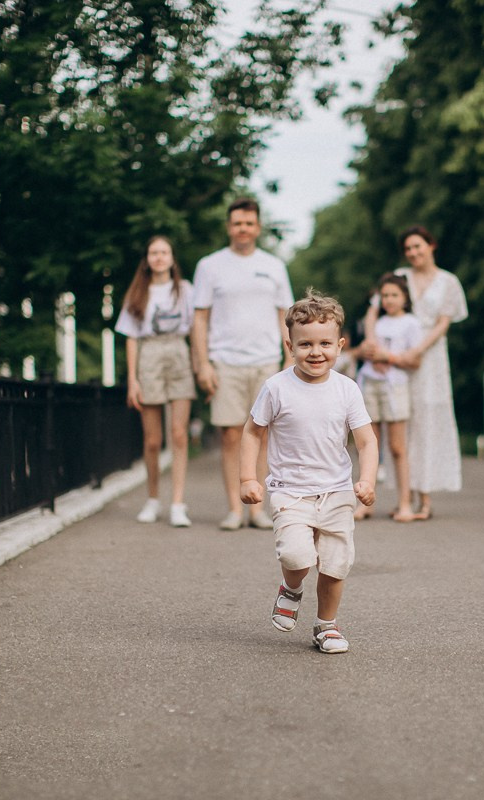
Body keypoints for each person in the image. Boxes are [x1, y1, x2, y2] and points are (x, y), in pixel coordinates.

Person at [240, 290, 379, 654]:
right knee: (297, 556)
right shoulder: (276, 388)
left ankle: (326, 625)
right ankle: (292, 588)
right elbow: (253, 432)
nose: (315, 352)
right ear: (290, 345)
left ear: (340, 345)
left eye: (324, 344)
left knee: (336, 563)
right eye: (305, 344)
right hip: (291, 490)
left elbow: (366, 441)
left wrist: (366, 479)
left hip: (336, 490)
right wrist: (247, 478)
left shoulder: (347, 390)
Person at [191, 198, 295, 531]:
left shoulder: (274, 265)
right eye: (237, 223)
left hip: (267, 361)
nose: (243, 229)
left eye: (249, 223)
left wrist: (289, 359)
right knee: (230, 434)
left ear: (258, 227)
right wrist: (203, 364)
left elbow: (286, 316)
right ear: (229, 227)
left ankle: (257, 510)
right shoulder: (210, 266)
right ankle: (235, 509)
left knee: (263, 435)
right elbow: (200, 318)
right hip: (225, 361)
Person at [361, 225, 468, 520]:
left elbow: (443, 323)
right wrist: (373, 345)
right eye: (408, 249)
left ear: (431, 245)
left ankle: (426, 498)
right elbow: (373, 311)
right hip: (392, 358)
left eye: (418, 246)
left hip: (429, 359)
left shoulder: (448, 281)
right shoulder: (400, 276)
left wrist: (416, 351)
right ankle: (403, 496)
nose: (413, 253)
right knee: (401, 429)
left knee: (427, 422)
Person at [114, 235, 195, 527]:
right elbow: (131, 339)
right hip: (149, 354)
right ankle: (152, 499)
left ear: (172, 258)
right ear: (147, 259)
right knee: (152, 439)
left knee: (179, 434)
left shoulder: (185, 290)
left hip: (178, 353)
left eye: (164, 252)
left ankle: (178, 503)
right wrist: (133, 379)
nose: (159, 257)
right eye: (153, 252)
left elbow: (197, 328)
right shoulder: (139, 292)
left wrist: (200, 365)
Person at [354, 272, 422, 523]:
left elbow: (415, 360)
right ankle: (366, 502)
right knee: (369, 444)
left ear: (404, 297)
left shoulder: (411, 323)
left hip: (395, 387)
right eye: (384, 296)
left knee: (397, 447)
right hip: (371, 384)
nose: (389, 300)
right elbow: (366, 346)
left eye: (394, 295)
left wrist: (388, 357)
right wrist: (367, 351)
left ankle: (405, 503)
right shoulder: (377, 323)